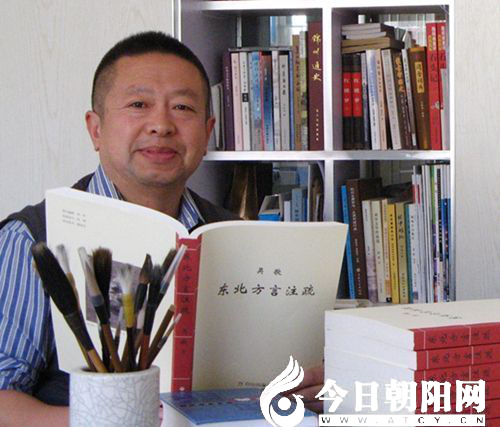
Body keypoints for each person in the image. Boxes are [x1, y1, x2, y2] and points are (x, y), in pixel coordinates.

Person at [0, 31, 322, 426]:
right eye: (139, 104)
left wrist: (305, 386)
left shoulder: (234, 236)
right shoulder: (32, 238)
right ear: (96, 129)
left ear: (207, 132)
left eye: (182, 107)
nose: (161, 125)